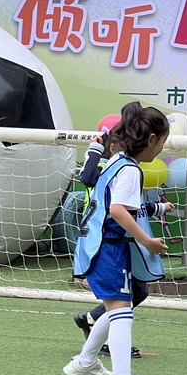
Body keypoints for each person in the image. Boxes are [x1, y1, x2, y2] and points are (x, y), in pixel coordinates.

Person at [63, 102, 172, 375]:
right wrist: (147, 241)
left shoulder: (115, 161)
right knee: (122, 312)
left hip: (102, 246)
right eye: (162, 142)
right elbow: (118, 210)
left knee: (116, 309)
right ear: (151, 139)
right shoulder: (130, 169)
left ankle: (84, 364)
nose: (161, 149)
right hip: (107, 247)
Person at [72, 133, 160, 359]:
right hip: (103, 240)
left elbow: (133, 207)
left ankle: (85, 359)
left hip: (113, 240)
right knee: (123, 306)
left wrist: (158, 209)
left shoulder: (122, 168)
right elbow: (116, 208)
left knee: (129, 298)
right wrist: (93, 151)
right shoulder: (121, 167)